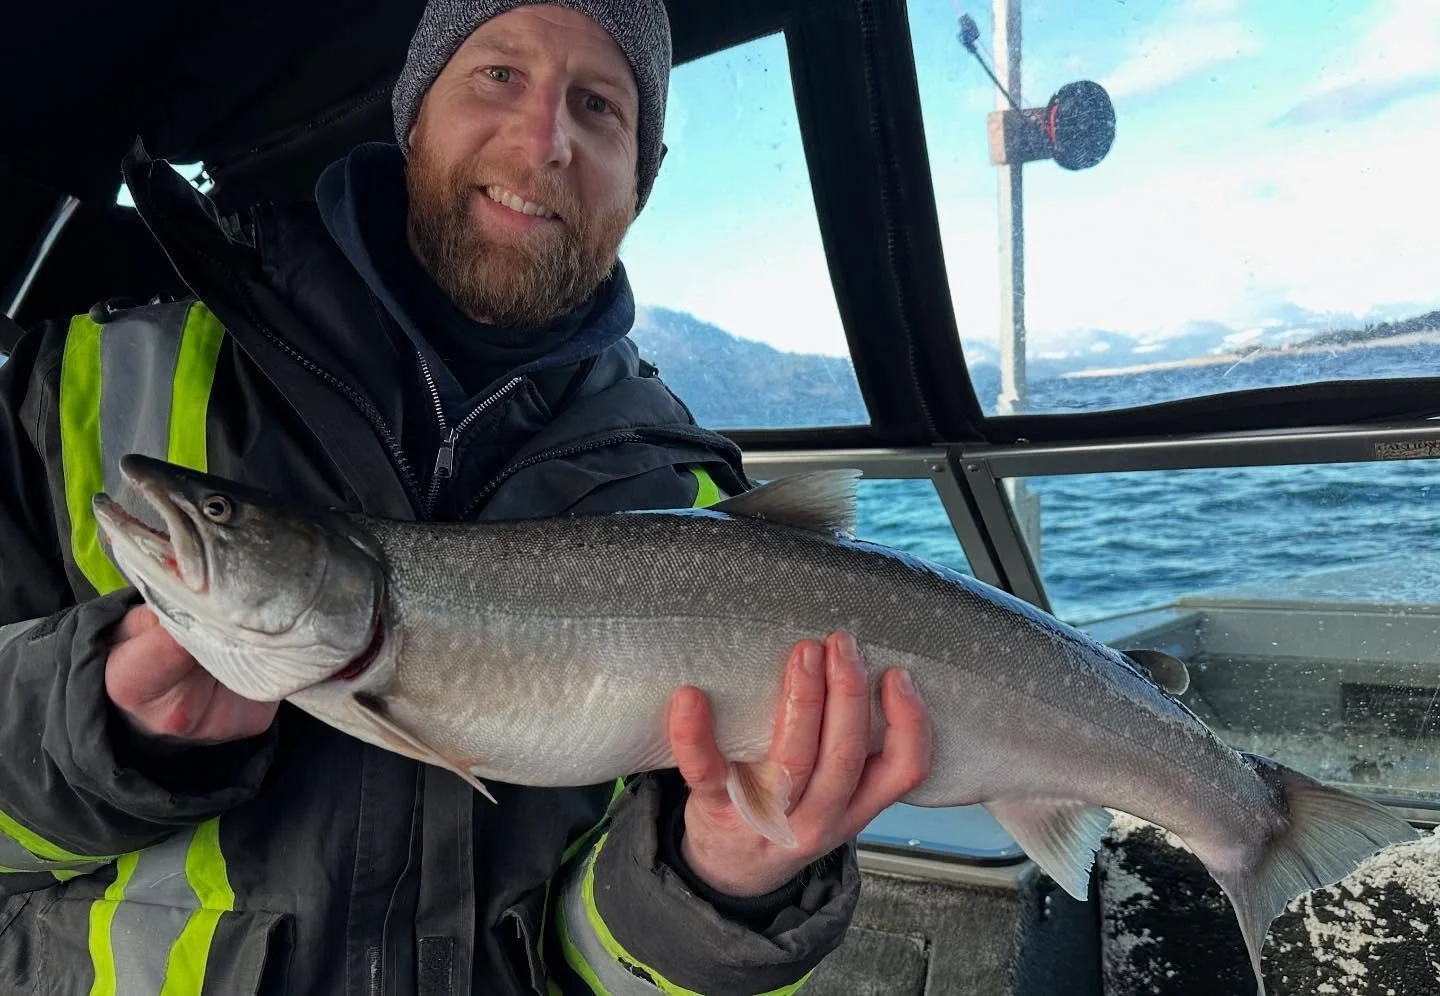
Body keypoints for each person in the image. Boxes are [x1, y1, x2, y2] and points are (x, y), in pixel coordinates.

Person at [0, 0, 934, 992]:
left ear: (641, 179)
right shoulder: (89, 385)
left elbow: (601, 967)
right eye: (497, 74)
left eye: (600, 107)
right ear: (414, 114)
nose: (544, 142)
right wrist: (95, 728)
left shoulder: (691, 498)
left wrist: (725, 888)